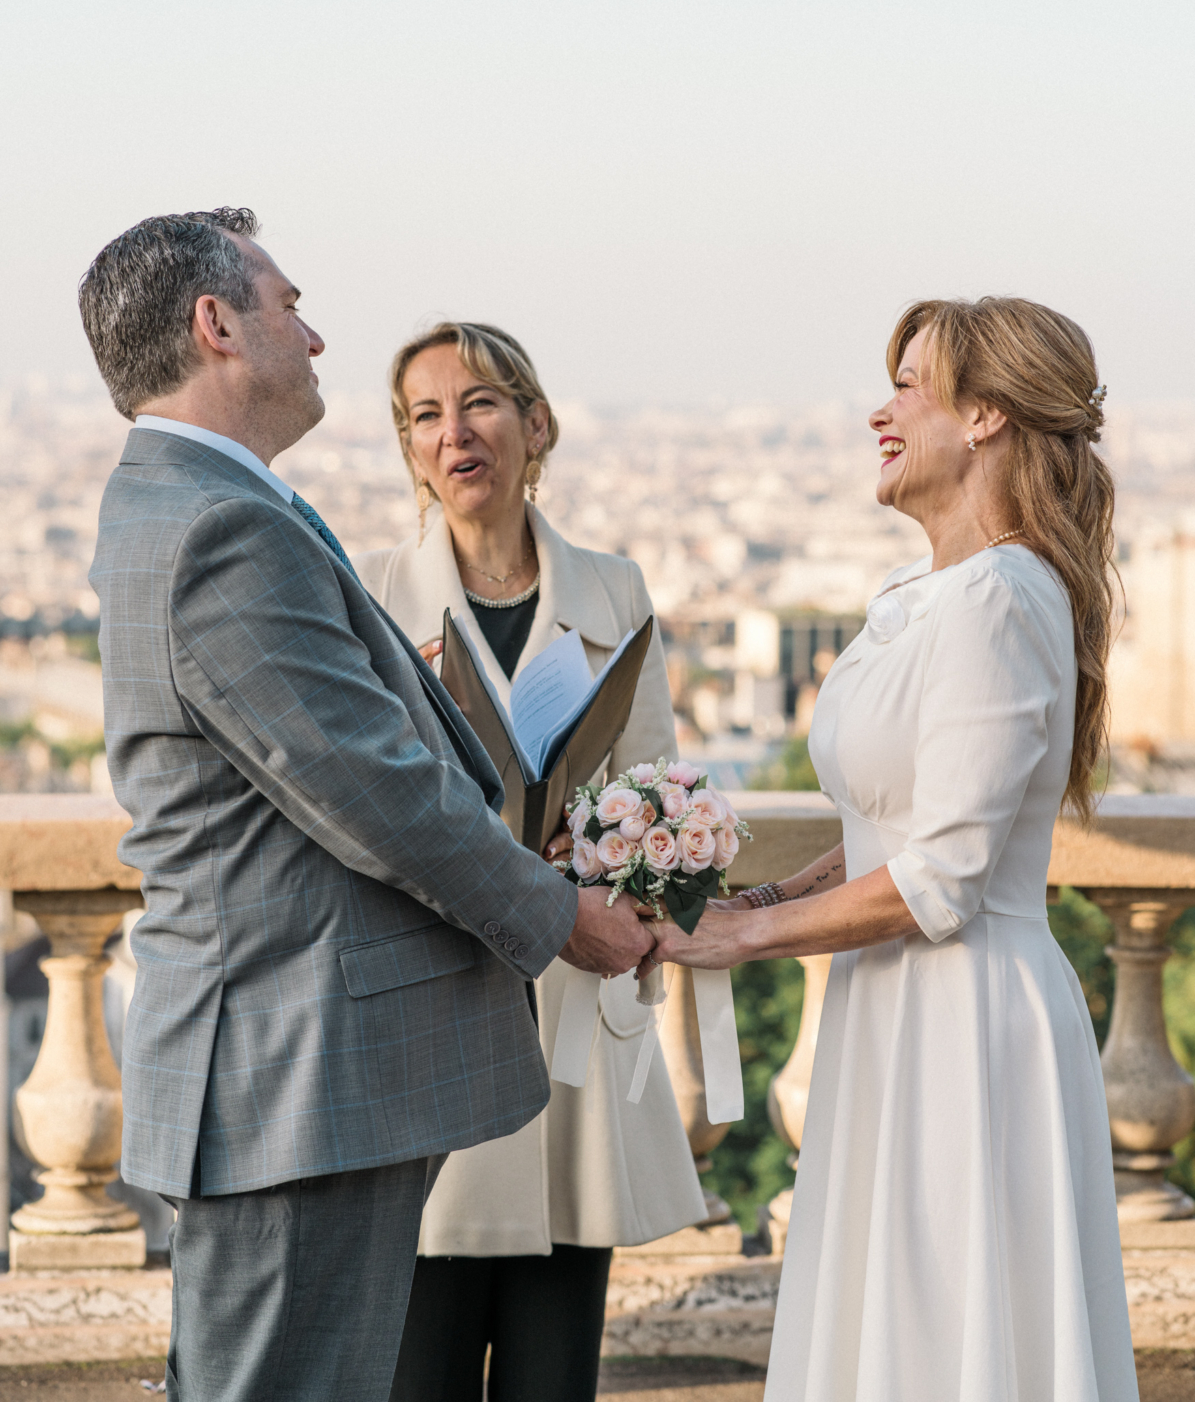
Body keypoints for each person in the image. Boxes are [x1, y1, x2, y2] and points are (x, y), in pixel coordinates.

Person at [80, 211, 653, 1402]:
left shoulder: (191, 503)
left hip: (290, 1069)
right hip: (295, 1076)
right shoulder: (220, 526)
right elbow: (377, 794)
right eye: (291, 304)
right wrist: (562, 915)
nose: (318, 335)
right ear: (217, 324)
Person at [643, 298, 1138, 1400]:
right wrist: (756, 894)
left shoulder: (1002, 599)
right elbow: (892, 826)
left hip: (963, 1021)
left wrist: (743, 938)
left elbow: (946, 875)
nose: (881, 408)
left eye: (910, 383)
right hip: (890, 1005)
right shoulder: (925, 596)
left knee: (947, 1325)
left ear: (986, 416)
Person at [354, 321, 706, 1402]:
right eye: (426, 414)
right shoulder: (365, 598)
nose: (454, 431)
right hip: (431, 1018)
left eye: (481, 404)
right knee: (422, 1368)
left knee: (556, 1374)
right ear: (411, 450)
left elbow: (658, 799)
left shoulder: (616, 590)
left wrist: (602, 850)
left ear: (535, 425)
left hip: (569, 1013)